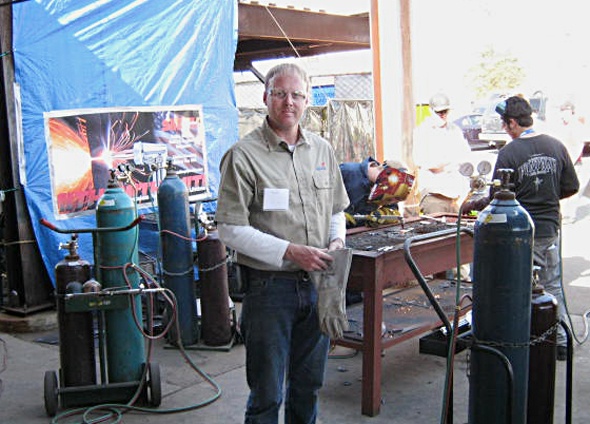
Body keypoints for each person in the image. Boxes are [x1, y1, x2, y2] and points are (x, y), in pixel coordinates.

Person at [215, 63, 349, 424]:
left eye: (296, 95)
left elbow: (336, 208)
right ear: (265, 97)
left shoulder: (321, 149)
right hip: (269, 290)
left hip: (319, 284)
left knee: (308, 386)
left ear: (307, 100)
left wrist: (336, 239)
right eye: (279, 94)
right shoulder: (243, 156)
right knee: (267, 393)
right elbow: (229, 228)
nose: (288, 102)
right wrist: (291, 252)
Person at [491, 95, 579, 361]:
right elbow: (571, 186)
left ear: (513, 122)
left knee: (519, 286)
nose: (505, 129)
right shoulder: (556, 146)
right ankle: (560, 342)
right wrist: (548, 198)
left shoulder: (509, 153)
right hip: (550, 228)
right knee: (551, 286)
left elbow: (497, 196)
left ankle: (523, 341)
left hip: (519, 233)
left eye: (506, 124)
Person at [413, 92, 473, 214]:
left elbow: (465, 156)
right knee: (438, 230)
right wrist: (449, 162)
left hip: (455, 196)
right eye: (439, 112)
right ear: (431, 111)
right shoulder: (423, 131)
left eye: (445, 111)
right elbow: (423, 161)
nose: (443, 115)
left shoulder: (454, 130)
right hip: (434, 195)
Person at [339, 157, 413, 227]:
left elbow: (393, 211)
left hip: (360, 233)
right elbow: (327, 200)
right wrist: (340, 216)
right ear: (383, 171)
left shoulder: (388, 188)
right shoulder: (347, 171)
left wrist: (382, 215)